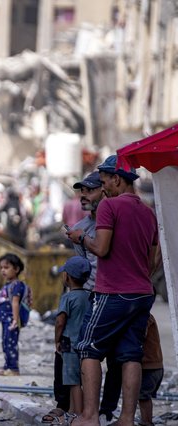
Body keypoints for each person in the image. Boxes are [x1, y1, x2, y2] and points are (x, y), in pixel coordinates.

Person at [67, 154, 158, 426]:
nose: (103, 187)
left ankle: (89, 417)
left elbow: (101, 247)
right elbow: (152, 261)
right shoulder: (148, 212)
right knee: (131, 354)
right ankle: (127, 420)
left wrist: (80, 236)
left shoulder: (110, 207)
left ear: (117, 179)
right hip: (142, 293)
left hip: (113, 292)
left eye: (105, 181)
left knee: (88, 348)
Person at [54, 256, 92, 421]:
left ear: (67, 277)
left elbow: (60, 321)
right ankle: (72, 409)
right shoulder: (90, 296)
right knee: (82, 377)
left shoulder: (67, 298)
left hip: (68, 343)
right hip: (86, 342)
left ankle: (77, 413)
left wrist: (57, 339)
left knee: (72, 380)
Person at [0, 253, 28, 376]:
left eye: (6, 267)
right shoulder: (8, 284)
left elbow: (15, 303)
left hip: (11, 320)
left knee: (11, 343)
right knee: (5, 342)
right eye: (1, 267)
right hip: (6, 319)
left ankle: (14, 368)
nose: (3, 270)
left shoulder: (17, 285)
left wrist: (15, 320)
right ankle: (7, 366)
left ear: (17, 269)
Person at [139, 314, 164, 426]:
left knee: (143, 396)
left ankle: (146, 422)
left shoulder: (145, 317)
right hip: (154, 366)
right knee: (144, 396)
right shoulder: (146, 315)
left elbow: (140, 334)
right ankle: (146, 421)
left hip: (150, 367)